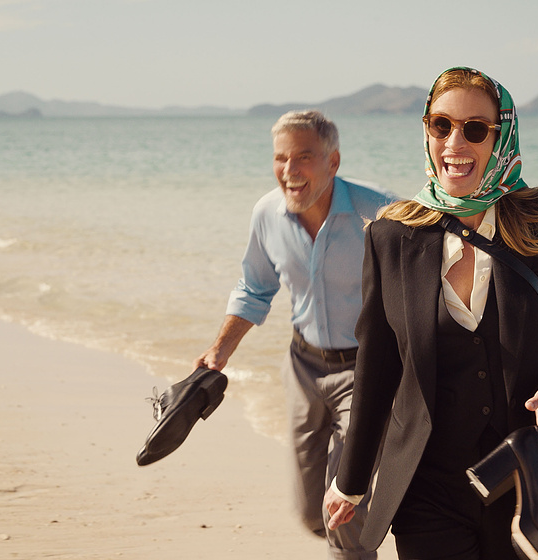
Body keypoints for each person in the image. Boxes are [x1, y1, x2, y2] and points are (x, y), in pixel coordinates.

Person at [324, 67, 538, 558]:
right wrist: (350, 479)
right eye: (441, 125)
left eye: (476, 128)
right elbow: (378, 366)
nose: (456, 142)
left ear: (502, 135)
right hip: (426, 488)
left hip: (527, 484)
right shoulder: (390, 236)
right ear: (427, 130)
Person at [194, 110, 396, 559]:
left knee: (341, 511)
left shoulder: (379, 214)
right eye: (281, 158)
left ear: (333, 161)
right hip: (302, 368)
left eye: (304, 156)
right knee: (311, 512)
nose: (290, 170)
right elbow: (255, 287)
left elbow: (424, 290)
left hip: (366, 373)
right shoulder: (266, 214)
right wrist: (220, 350)